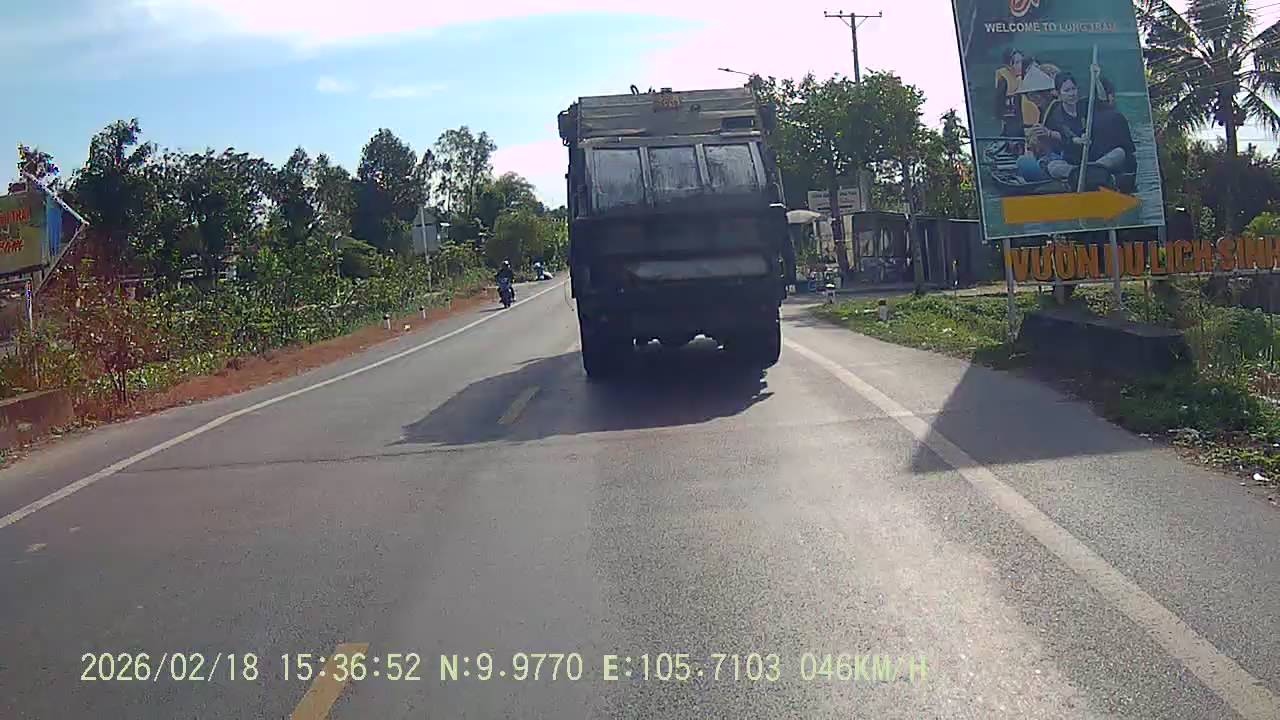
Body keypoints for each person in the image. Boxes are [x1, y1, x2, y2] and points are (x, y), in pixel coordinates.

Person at [994, 48, 1025, 140]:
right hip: (1012, 119)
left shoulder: (1028, 76)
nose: (1021, 65)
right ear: (1009, 65)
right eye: (1017, 62)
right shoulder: (1004, 79)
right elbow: (998, 103)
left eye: (1022, 62)